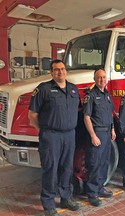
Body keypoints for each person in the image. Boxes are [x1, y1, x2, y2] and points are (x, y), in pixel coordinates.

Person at [28, 59, 81, 216]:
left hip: (70, 135)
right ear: (51, 73)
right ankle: (49, 204)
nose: (60, 72)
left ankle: (66, 197)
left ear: (66, 71)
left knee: (67, 168)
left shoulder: (73, 89)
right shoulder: (43, 89)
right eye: (56, 70)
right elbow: (32, 115)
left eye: (63, 69)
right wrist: (43, 130)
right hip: (51, 135)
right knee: (50, 169)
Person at [83, 67, 116, 207]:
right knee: (94, 164)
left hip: (108, 133)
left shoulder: (107, 95)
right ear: (94, 79)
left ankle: (100, 187)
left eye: (104, 77)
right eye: (99, 77)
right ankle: (92, 193)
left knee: (104, 163)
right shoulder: (90, 96)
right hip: (97, 133)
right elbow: (86, 117)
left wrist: (113, 129)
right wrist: (93, 135)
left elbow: (110, 114)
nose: (102, 79)